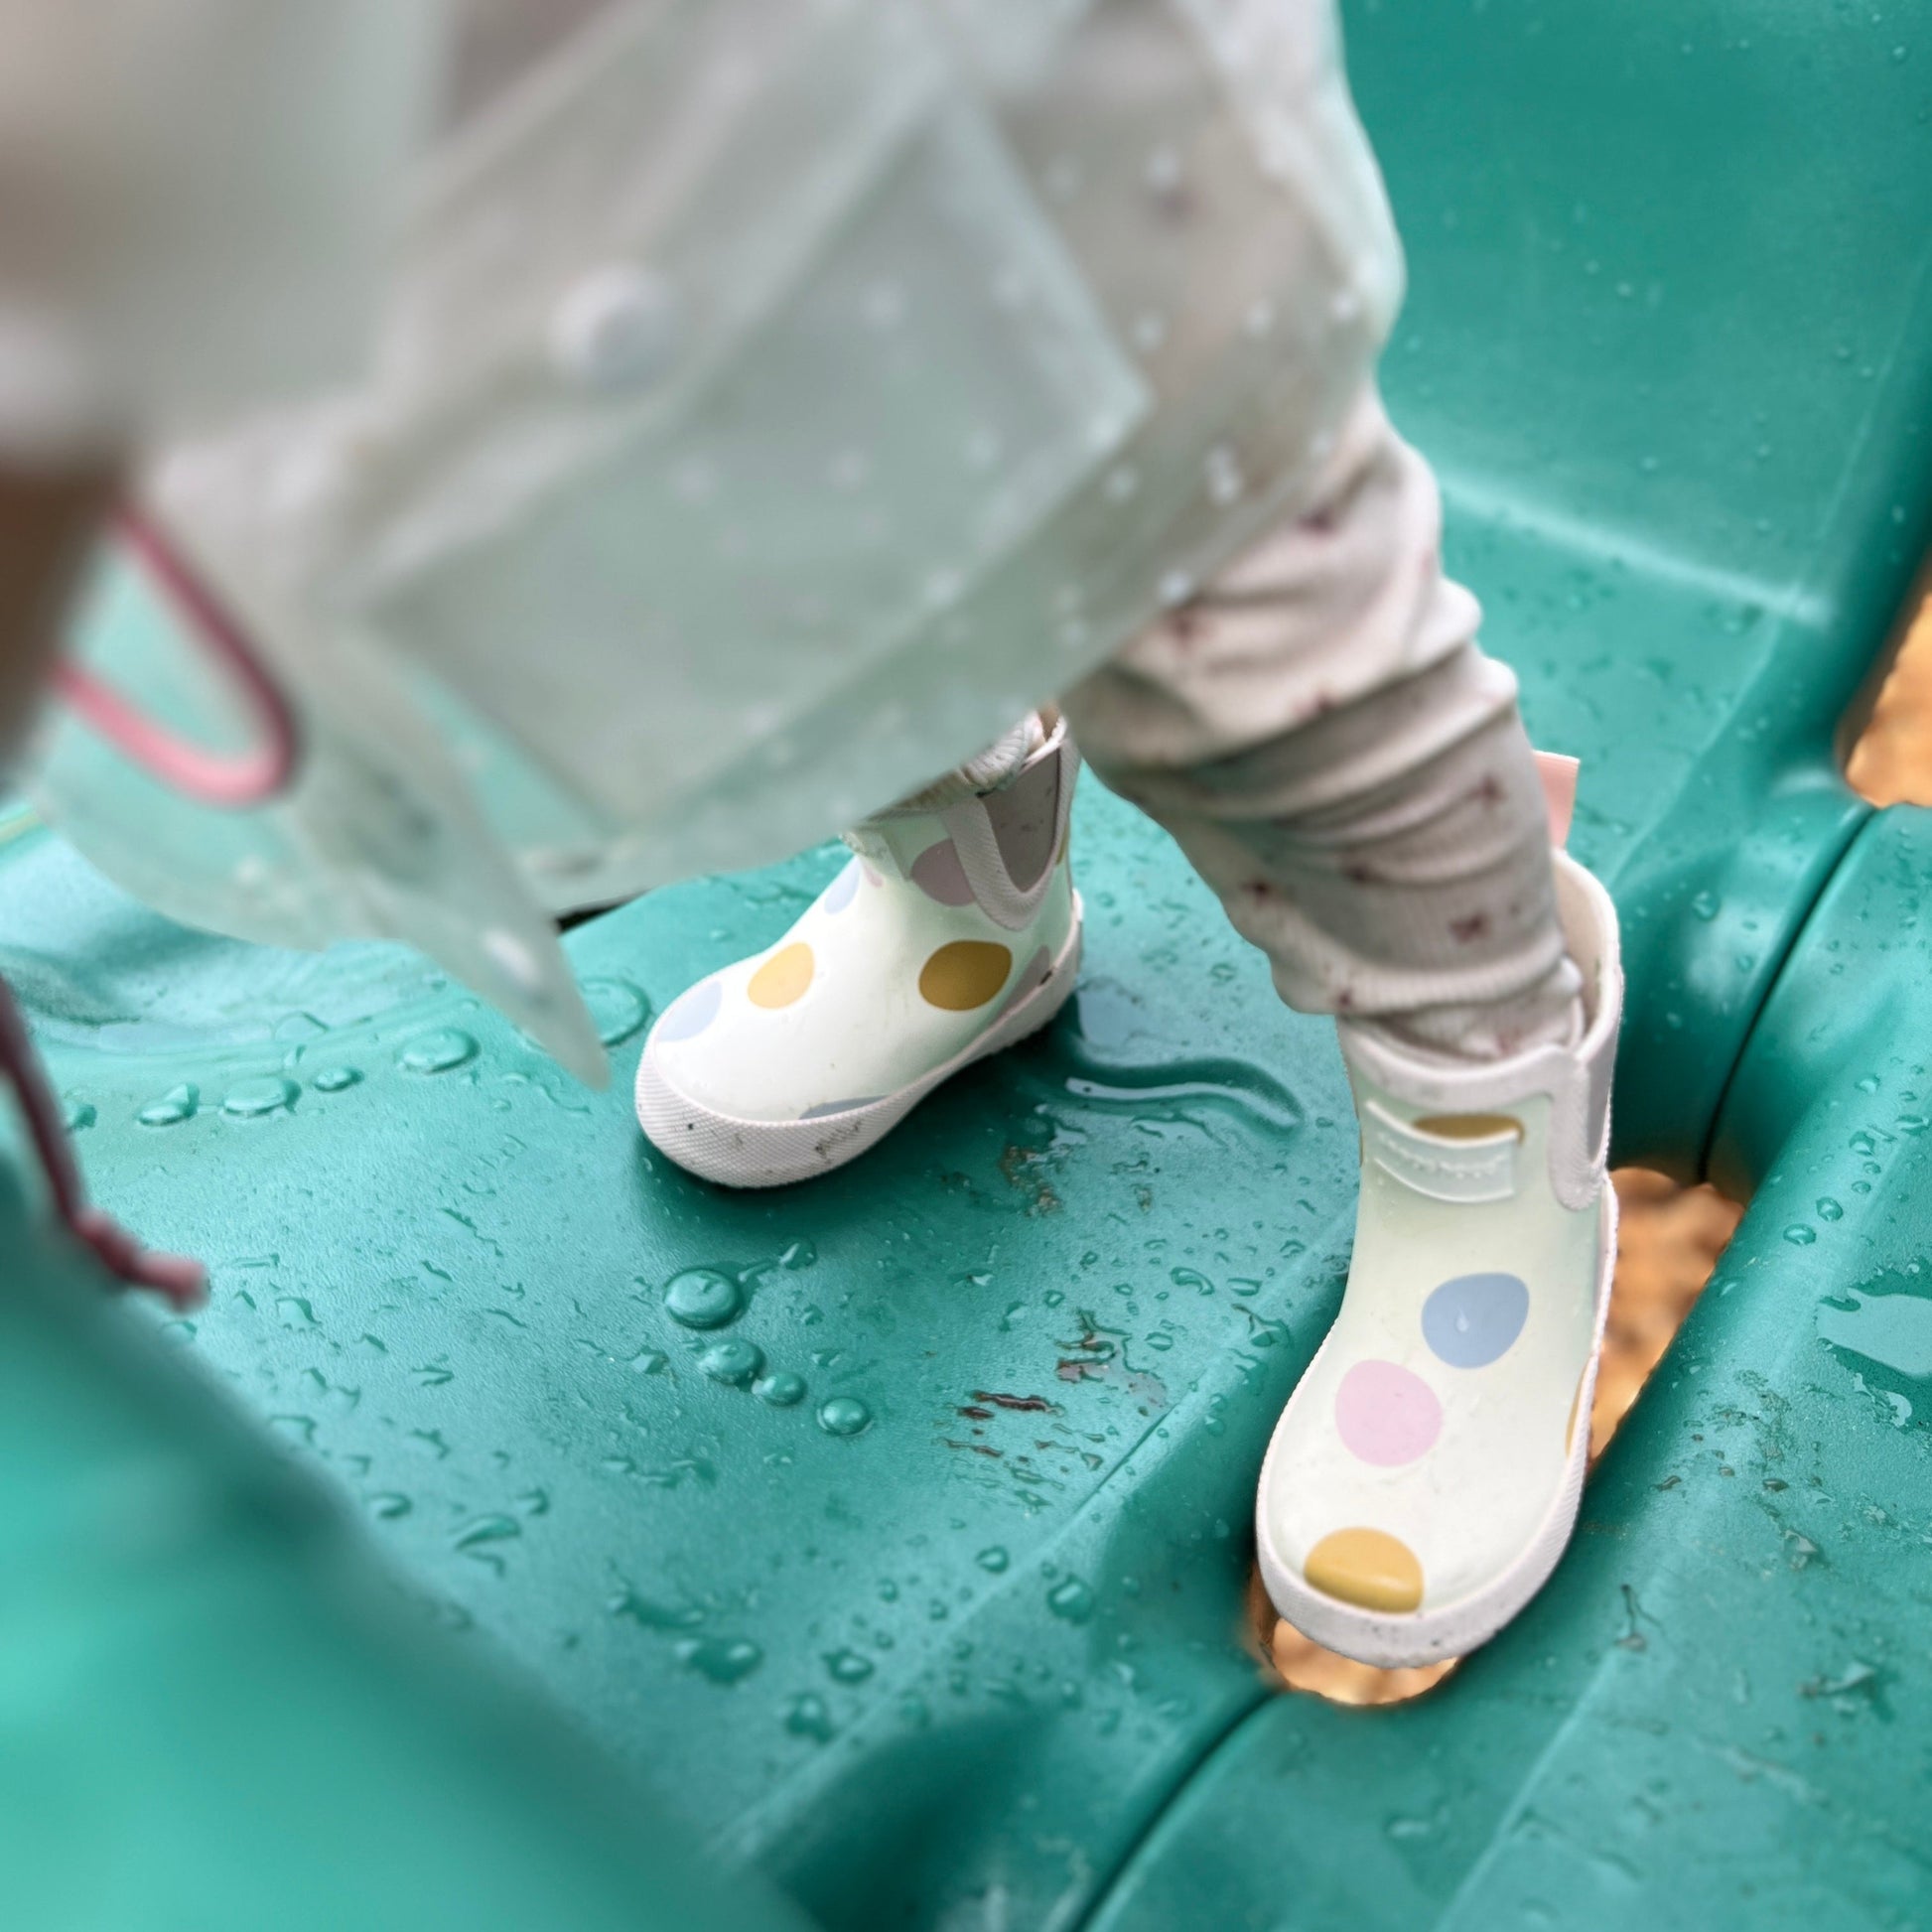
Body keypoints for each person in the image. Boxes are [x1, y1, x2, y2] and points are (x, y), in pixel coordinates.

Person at [1, 0, 1619, 1669]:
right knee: (766, 559)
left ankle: (1484, 1090)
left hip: (975, 96)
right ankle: (971, 901)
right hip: (435, 168)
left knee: (1249, 625)